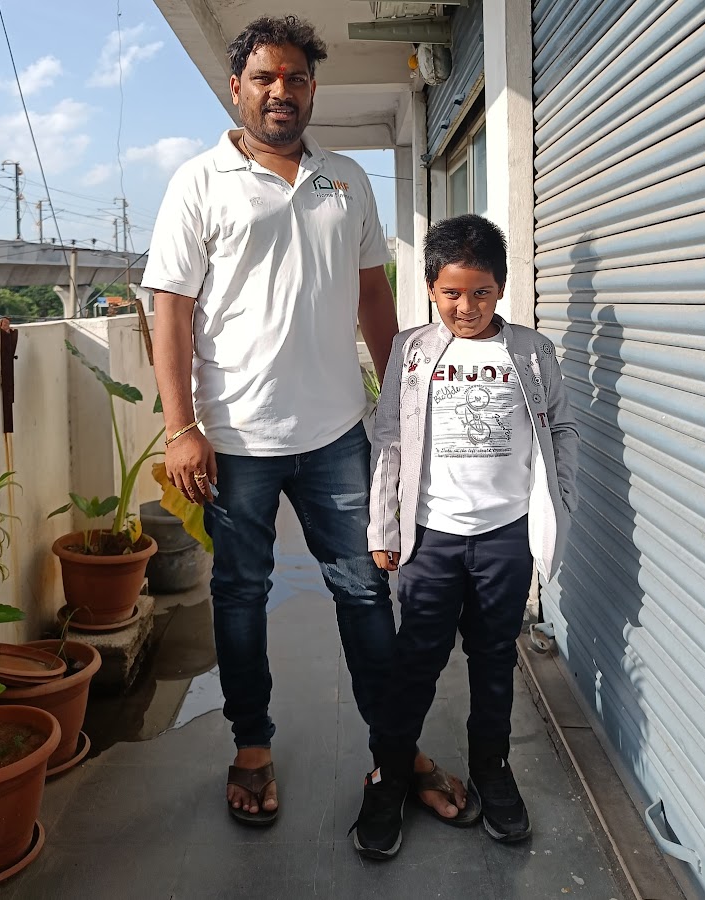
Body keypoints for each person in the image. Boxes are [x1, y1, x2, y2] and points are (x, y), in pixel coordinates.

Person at [142, 15, 465, 827]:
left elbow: (373, 297)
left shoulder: (346, 180)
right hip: (234, 442)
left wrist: (401, 406)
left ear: (313, 89)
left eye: (295, 78)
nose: (280, 91)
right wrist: (181, 428)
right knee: (239, 596)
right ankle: (252, 745)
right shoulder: (198, 183)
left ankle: (396, 748)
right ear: (237, 89)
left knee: (365, 589)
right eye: (264, 78)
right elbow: (170, 310)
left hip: (336, 436)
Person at [351, 215, 579, 858]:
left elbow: (562, 427)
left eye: (481, 292)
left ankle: (492, 771)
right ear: (430, 288)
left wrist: (560, 500)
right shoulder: (413, 351)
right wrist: (384, 524)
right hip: (432, 540)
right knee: (415, 664)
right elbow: (389, 439)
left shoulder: (531, 352)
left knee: (494, 661)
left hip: (505, 539)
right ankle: (390, 777)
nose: (466, 307)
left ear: (501, 288)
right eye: (451, 293)